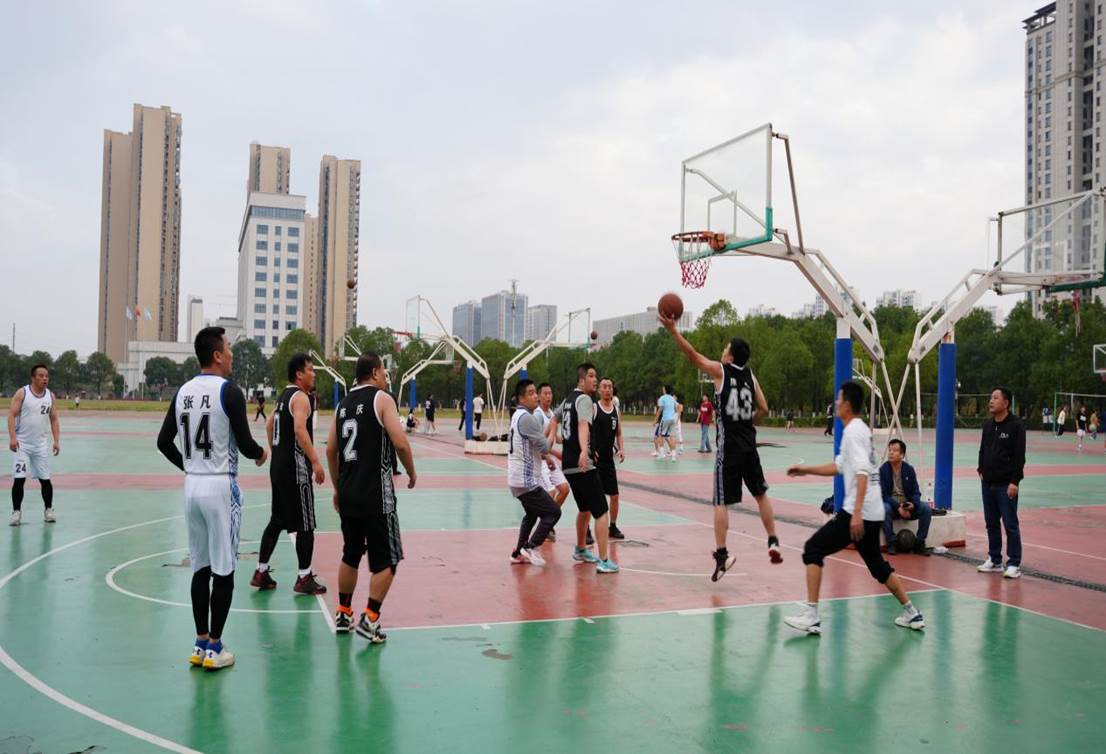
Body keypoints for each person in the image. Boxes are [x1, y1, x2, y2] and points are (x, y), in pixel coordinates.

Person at [157, 326, 268, 670]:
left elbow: (163, 442)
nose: (232, 354)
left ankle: (200, 642)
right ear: (217, 355)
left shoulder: (183, 392)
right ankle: (216, 647)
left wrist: (190, 467)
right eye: (229, 349)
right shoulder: (229, 391)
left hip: (192, 486)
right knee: (224, 568)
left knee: (200, 567)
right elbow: (245, 444)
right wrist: (262, 453)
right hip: (220, 486)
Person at [783, 381, 925, 635]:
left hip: (858, 513)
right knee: (877, 566)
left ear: (847, 405)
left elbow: (861, 472)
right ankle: (912, 613)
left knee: (813, 549)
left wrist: (856, 513)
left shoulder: (853, 432)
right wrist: (805, 469)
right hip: (873, 512)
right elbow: (839, 466)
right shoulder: (858, 431)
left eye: (839, 399)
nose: (836, 403)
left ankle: (811, 615)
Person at [658, 316, 783, 577]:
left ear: (731, 355)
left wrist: (673, 331)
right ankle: (773, 540)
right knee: (760, 494)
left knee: (720, 501)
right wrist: (750, 421)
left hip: (729, 448)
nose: (723, 351)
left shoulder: (721, 371)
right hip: (749, 445)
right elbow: (764, 407)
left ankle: (722, 554)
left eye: (726, 348)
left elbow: (693, 356)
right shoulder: (751, 376)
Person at [325, 352, 416, 640]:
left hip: (349, 493)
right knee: (389, 560)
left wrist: (338, 487)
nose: (386, 378)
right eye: (384, 373)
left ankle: (343, 612)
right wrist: (411, 471)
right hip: (376, 495)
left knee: (351, 554)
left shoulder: (342, 405)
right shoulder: (382, 399)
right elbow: (400, 442)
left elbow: (330, 449)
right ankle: (371, 617)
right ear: (375, 373)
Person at [250, 354, 327, 595]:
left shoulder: (283, 396)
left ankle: (261, 571)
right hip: (296, 469)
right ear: (299, 374)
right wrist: (315, 461)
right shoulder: (301, 397)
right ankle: (304, 577)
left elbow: (269, 425)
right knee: (306, 524)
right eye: (310, 369)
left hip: (279, 467)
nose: (314, 373)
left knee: (278, 520)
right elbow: (300, 429)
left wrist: (277, 452)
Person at [548, 362, 619, 573]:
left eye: (595, 376)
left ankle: (580, 548)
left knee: (584, 509)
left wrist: (549, 438)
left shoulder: (568, 399)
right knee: (601, 512)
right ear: (581, 380)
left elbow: (553, 419)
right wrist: (583, 451)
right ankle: (604, 560)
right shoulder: (585, 400)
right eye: (591, 376)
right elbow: (582, 426)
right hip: (582, 464)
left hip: (568, 465)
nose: (595, 380)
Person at [506, 379, 560, 565]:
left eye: (535, 392)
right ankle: (531, 547)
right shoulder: (527, 418)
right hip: (525, 480)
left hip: (517, 479)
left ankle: (517, 553)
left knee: (531, 515)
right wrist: (553, 427)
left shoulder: (517, 415)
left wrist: (547, 458)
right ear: (521, 398)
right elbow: (545, 445)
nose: (535, 396)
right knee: (553, 512)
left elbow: (533, 446)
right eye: (530, 393)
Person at [976, 386, 1026, 579]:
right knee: (991, 523)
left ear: (1006, 403)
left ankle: (1014, 563)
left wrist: (1015, 481)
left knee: (1010, 524)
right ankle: (995, 559)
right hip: (987, 483)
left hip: (1006, 485)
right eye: (991, 397)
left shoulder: (1016, 426)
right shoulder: (988, 425)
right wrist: (981, 469)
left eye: (995, 398)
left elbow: (1019, 457)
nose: (991, 401)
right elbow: (983, 449)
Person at [8, 364, 60, 526]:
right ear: (33, 378)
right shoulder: (22, 393)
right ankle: (16, 512)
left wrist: (56, 441)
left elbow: (54, 419)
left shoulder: (50, 396)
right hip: (22, 445)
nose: (45, 378)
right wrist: (13, 437)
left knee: (45, 479)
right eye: (41, 376)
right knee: (19, 479)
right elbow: (11, 414)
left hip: (40, 446)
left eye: (47, 376)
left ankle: (48, 510)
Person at [879, 439, 931, 555]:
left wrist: (913, 504)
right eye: (890, 450)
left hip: (907, 505)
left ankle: (919, 543)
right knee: (884, 508)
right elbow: (883, 495)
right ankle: (891, 542)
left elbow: (916, 491)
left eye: (894, 450)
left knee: (926, 509)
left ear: (902, 455)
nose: (891, 453)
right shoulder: (883, 470)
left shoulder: (909, 469)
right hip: (892, 506)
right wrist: (898, 507)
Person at [536, 383, 570, 542]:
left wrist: (572, 441)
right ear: (539, 396)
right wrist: (555, 453)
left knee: (564, 489)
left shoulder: (551, 414)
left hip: (550, 459)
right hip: (541, 460)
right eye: (545, 393)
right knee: (550, 493)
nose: (548, 396)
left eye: (550, 393)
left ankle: (548, 521)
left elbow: (556, 437)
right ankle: (546, 524)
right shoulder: (537, 415)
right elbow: (538, 442)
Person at [594, 377, 626, 540]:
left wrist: (621, 448)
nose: (607, 389)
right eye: (604, 387)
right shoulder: (594, 408)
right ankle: (587, 531)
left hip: (608, 461)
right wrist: (589, 449)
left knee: (614, 496)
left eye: (610, 387)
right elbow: (585, 429)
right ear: (599, 390)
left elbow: (619, 433)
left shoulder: (615, 411)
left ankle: (612, 527)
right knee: (593, 497)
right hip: (595, 461)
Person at [653, 386, 678, 462]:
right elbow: (676, 409)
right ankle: (673, 456)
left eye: (663, 389)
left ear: (665, 390)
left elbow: (660, 410)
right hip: (673, 419)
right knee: (672, 437)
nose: (662, 389)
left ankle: (662, 454)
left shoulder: (662, 398)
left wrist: (655, 420)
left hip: (665, 419)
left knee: (660, 435)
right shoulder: (672, 398)